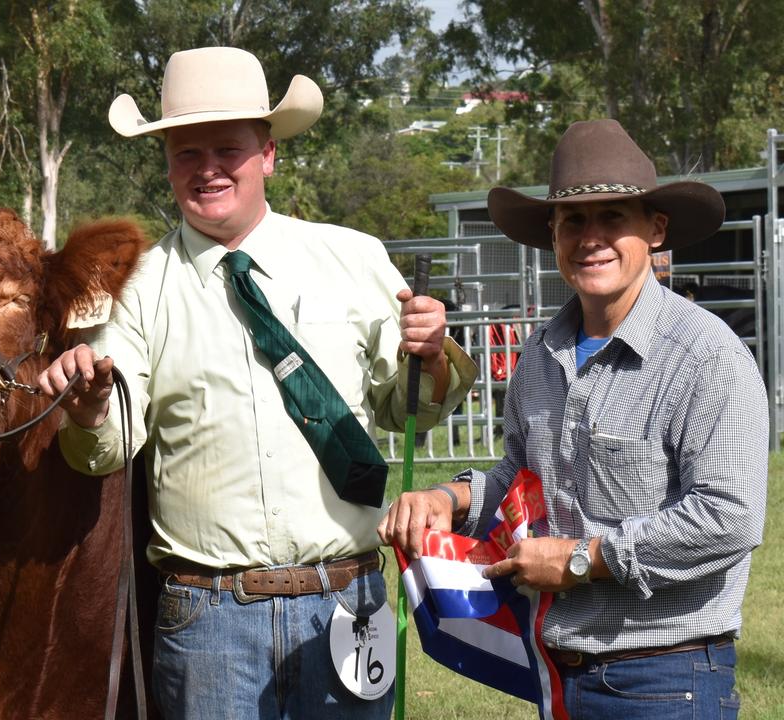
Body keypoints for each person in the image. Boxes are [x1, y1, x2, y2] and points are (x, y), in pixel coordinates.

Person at [38, 47, 477, 719]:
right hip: (206, 618)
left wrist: (434, 355)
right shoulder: (137, 291)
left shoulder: (354, 259)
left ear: (268, 154)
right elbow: (106, 451)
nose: (208, 169)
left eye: (228, 150)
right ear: (167, 164)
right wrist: (90, 411)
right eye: (188, 153)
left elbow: (407, 410)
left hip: (347, 601)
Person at [379, 119, 766, 718]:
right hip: (561, 676)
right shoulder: (539, 354)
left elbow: (731, 518)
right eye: (574, 221)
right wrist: (446, 497)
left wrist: (584, 559)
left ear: (655, 230)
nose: (591, 237)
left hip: (668, 679)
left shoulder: (706, 356)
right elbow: (520, 478)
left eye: (614, 217)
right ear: (552, 235)